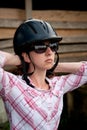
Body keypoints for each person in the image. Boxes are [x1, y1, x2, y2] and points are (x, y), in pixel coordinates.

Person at [0, 18, 87, 130]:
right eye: (40, 47)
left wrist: (53, 65)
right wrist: (19, 60)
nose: (49, 52)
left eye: (53, 46)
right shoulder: (12, 85)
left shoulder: (57, 85)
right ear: (26, 55)